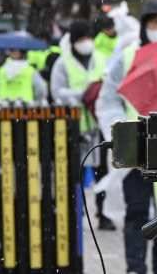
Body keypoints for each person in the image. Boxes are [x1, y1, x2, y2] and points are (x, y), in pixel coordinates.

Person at [98, 0, 157, 274]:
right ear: (144, 26)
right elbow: (107, 100)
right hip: (137, 150)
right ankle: (135, 268)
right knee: (137, 212)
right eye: (153, 23)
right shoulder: (128, 57)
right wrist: (120, 133)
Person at [50, 19, 114, 229]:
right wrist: (83, 94)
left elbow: (112, 86)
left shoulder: (102, 58)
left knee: (102, 172)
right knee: (74, 173)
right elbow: (56, 92)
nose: (86, 42)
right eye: (82, 38)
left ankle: (102, 212)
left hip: (99, 124)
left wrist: (98, 93)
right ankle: (74, 213)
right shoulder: (63, 62)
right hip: (74, 126)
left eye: (89, 37)